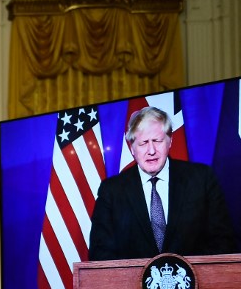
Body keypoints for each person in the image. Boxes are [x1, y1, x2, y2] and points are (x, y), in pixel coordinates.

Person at [89, 106, 236, 261]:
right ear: (132, 147)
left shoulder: (202, 179)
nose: (151, 150)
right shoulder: (111, 191)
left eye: (157, 141)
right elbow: (100, 254)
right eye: (143, 143)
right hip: (132, 284)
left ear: (170, 141)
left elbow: (223, 243)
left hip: (195, 283)